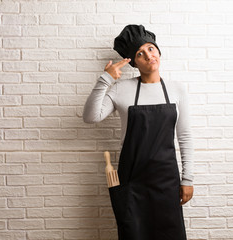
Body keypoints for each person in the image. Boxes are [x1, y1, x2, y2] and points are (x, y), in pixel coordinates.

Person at [83, 24, 194, 240]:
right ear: (134, 62)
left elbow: (185, 136)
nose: (148, 56)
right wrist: (105, 79)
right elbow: (90, 117)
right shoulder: (122, 89)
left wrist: (187, 179)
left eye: (150, 49)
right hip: (132, 182)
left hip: (166, 182)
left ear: (158, 51)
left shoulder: (176, 89)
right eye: (140, 53)